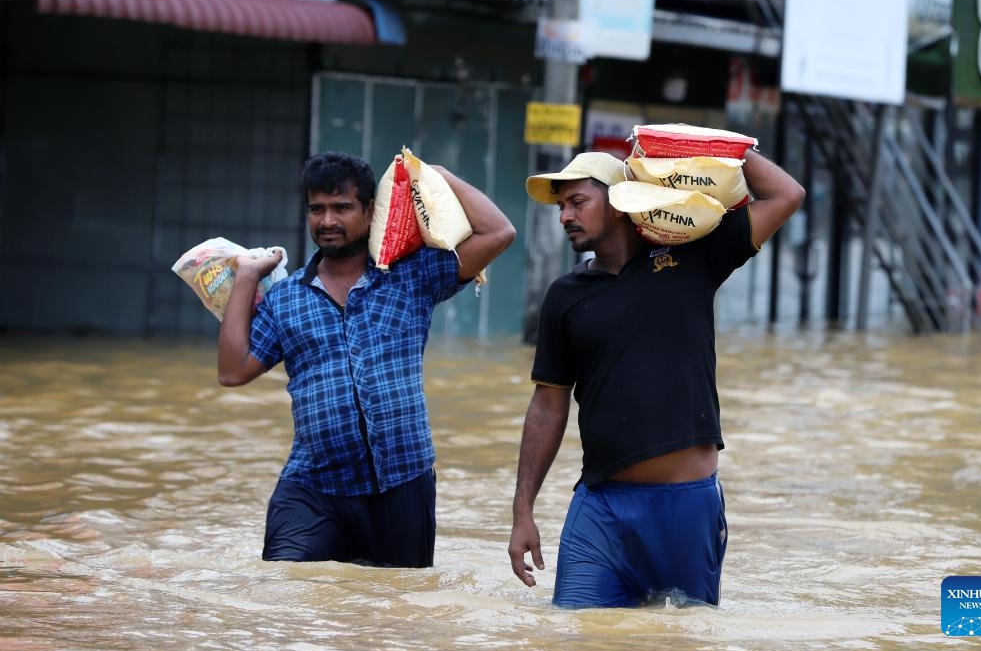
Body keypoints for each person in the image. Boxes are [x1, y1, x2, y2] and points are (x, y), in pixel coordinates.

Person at [508, 149, 804, 608]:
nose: (565, 216)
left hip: (685, 509)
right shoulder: (564, 296)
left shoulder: (694, 260)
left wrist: (723, 149)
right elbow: (548, 405)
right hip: (601, 508)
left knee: (685, 640)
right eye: (560, 206)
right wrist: (522, 511)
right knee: (571, 636)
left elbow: (786, 194)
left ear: (619, 201)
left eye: (578, 202)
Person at [219, 150, 515, 568]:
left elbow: (499, 232)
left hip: (402, 481)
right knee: (282, 590)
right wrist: (247, 277)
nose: (327, 221)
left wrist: (436, 176)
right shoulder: (286, 298)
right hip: (313, 488)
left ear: (370, 210)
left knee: (395, 610)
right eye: (316, 209)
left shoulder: (411, 277)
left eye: (341, 207)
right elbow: (232, 372)